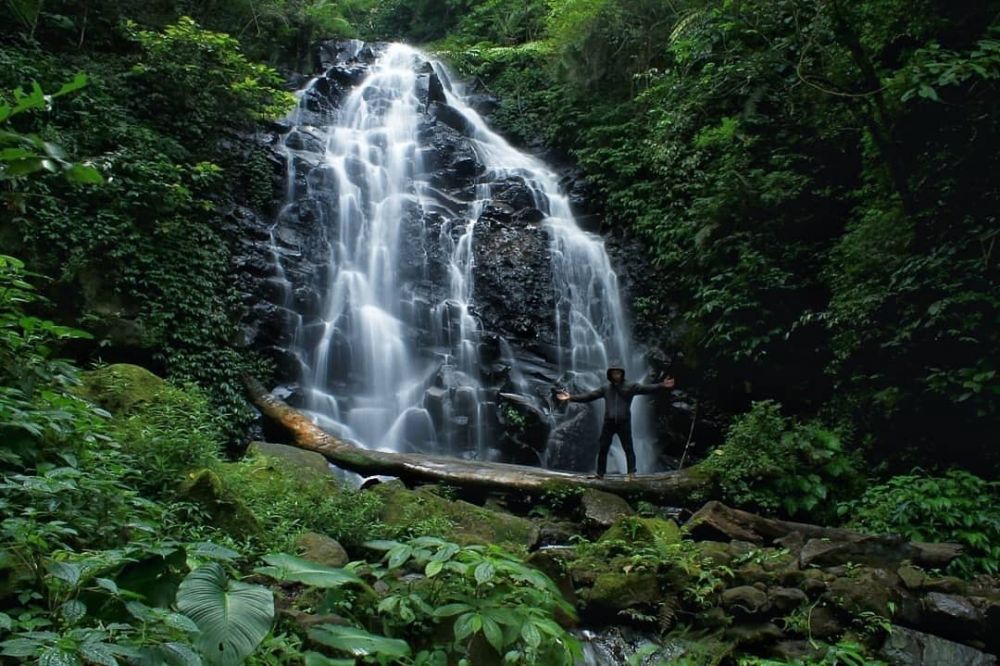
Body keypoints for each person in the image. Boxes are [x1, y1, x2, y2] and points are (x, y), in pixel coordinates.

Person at [555, 361, 675, 480]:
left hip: (624, 423)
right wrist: (571, 397)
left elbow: (646, 388)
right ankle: (600, 473)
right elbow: (589, 396)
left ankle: (631, 473)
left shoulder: (631, 386)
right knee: (603, 448)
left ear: (622, 374)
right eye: (613, 373)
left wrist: (662, 385)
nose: (616, 375)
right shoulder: (606, 388)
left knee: (628, 448)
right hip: (609, 423)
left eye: (618, 373)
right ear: (610, 375)